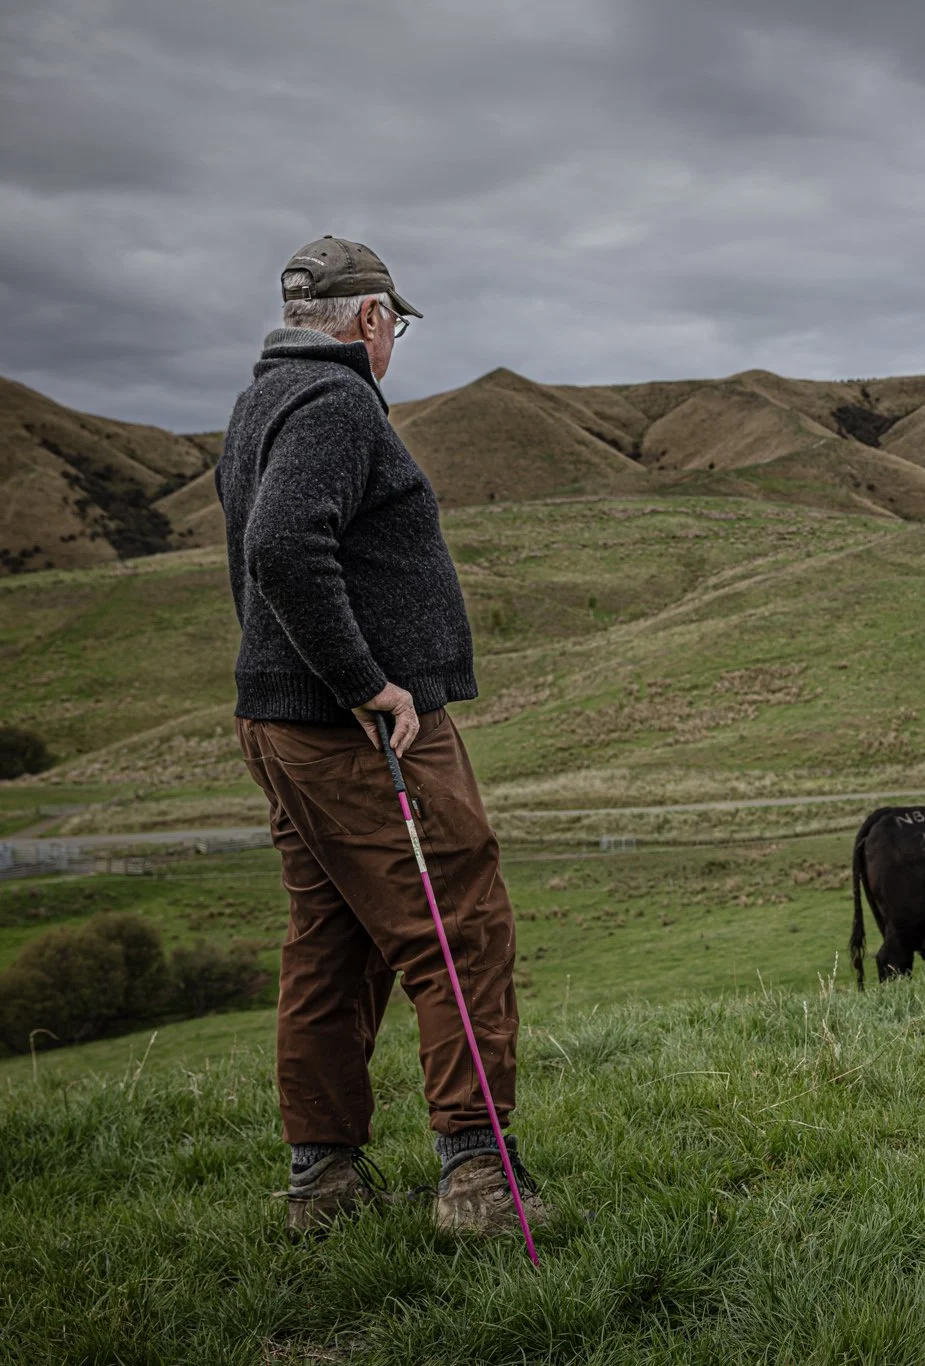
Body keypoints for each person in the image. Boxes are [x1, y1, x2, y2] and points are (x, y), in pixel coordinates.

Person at [217, 236, 546, 1233]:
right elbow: (280, 544)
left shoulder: (259, 399)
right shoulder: (333, 401)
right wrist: (369, 684)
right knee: (458, 925)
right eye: (393, 324)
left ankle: (323, 1186)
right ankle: (477, 1177)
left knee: (330, 938)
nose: (392, 340)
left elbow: (274, 543)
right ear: (368, 320)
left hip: (283, 718)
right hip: (355, 730)